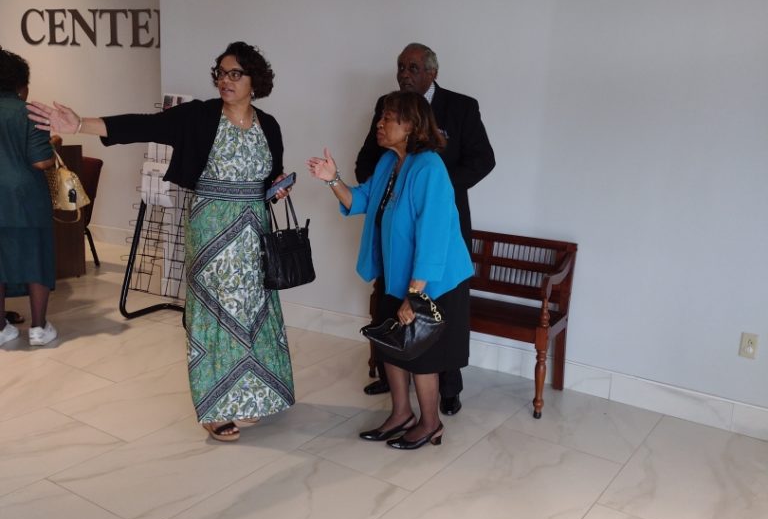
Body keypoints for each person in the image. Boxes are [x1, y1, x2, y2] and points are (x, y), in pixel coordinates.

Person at [27, 41, 295, 441]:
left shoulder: (268, 125)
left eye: (234, 74)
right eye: (221, 73)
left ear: (254, 80)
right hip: (211, 230)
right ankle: (215, 407)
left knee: (253, 311)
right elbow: (144, 125)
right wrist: (80, 123)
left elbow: (271, 175)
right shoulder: (201, 116)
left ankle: (250, 396)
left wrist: (279, 186)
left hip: (254, 231)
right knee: (214, 314)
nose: (225, 80)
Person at [308, 90, 473, 451]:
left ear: (411, 125)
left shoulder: (430, 168)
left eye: (388, 118)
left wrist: (415, 295)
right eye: (381, 116)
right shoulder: (388, 162)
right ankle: (401, 414)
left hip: (433, 281)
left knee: (423, 356)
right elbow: (360, 200)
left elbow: (433, 237)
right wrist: (332, 179)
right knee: (391, 346)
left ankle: (431, 423)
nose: (379, 124)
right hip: (395, 275)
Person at [355, 43, 495, 414]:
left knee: (440, 306)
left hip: (441, 226)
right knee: (390, 301)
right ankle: (391, 375)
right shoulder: (387, 105)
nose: (404, 74)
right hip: (394, 229)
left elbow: (483, 160)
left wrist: (433, 188)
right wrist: (387, 188)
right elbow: (368, 158)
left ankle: (448, 389)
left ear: (432, 72)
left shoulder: (461, 107)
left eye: (413, 68)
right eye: (401, 67)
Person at [0, 47, 57, 348]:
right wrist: (52, 145)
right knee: (37, 258)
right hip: (25, 198)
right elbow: (41, 161)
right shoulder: (30, 113)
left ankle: (1, 330)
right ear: (20, 84)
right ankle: (38, 329)